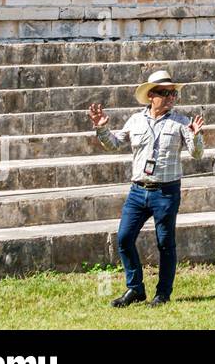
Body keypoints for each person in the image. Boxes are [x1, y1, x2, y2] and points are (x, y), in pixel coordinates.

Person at [88, 69, 205, 307]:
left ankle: (163, 293)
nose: (171, 97)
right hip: (138, 191)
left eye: (174, 93)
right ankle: (135, 288)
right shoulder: (135, 120)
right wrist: (101, 128)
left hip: (166, 191)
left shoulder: (182, 122)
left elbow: (197, 154)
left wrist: (197, 136)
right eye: (165, 93)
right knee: (124, 238)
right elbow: (114, 144)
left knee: (165, 243)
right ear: (151, 95)